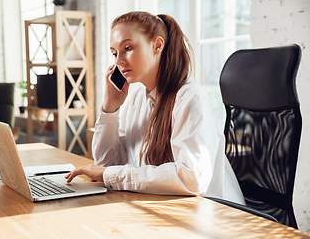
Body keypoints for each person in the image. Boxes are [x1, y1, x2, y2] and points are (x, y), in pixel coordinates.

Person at [65, 11, 245, 204]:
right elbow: (108, 166)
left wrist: (110, 174)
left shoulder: (190, 97)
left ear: (157, 45)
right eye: (115, 53)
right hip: (165, 208)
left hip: (214, 214)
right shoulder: (136, 100)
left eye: (128, 47)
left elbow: (192, 180)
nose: (118, 61)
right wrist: (110, 109)